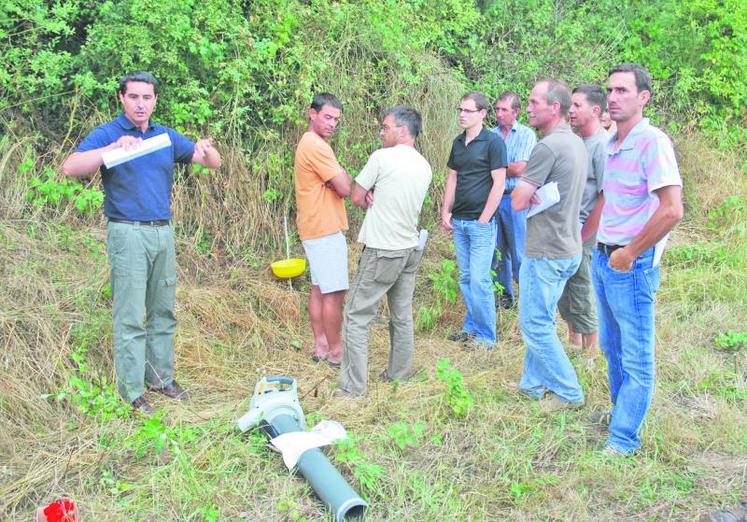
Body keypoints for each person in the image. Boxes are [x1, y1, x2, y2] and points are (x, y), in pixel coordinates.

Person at [61, 71, 222, 413]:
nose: (140, 104)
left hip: (162, 232)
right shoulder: (110, 133)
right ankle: (131, 390)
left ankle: (160, 377)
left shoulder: (164, 136)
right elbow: (70, 167)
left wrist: (207, 151)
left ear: (155, 101)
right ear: (121, 97)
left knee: (162, 310)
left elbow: (210, 162)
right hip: (128, 233)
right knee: (131, 314)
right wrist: (110, 150)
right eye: (133, 97)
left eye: (147, 98)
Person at [587, 64, 683, 455]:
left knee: (637, 356)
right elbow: (612, 199)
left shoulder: (652, 142)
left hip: (632, 266)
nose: (613, 97)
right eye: (610, 90)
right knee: (612, 347)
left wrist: (631, 252)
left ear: (643, 97)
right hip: (605, 259)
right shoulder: (612, 142)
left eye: (623, 90)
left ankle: (623, 439)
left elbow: (672, 209)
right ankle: (619, 416)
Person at [336, 106, 432, 398]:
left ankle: (353, 389)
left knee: (356, 315)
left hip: (383, 249)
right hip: (409, 247)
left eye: (386, 127)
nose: (381, 131)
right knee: (401, 314)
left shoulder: (382, 158)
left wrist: (367, 198)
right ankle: (399, 375)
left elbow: (355, 195)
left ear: (403, 131)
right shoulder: (424, 165)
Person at [511, 80, 587, 412]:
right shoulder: (576, 142)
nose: (527, 108)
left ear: (554, 107)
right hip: (568, 246)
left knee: (534, 324)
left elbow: (517, 201)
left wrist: (527, 192)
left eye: (532, 102)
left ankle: (568, 392)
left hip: (546, 250)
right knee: (540, 317)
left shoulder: (547, 147)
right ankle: (532, 384)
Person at [441, 92, 507, 349]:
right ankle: (471, 327)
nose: (462, 114)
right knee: (467, 278)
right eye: (460, 109)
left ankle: (487, 337)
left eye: (468, 110)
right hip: (459, 221)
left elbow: (499, 183)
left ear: (482, 114)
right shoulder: (458, 142)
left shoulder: (493, 142)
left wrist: (484, 219)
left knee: (480, 280)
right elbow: (452, 179)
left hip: (480, 224)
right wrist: (446, 210)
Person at [294, 93, 352, 368]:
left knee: (320, 288)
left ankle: (321, 346)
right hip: (325, 227)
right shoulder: (316, 145)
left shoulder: (310, 144)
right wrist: (340, 178)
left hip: (313, 226)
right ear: (312, 114)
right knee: (334, 293)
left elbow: (338, 182)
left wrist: (338, 179)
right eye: (327, 117)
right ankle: (337, 352)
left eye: (336, 120)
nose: (332, 124)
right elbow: (344, 187)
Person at [558, 84, 608, 361]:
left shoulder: (602, 146)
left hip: (585, 230)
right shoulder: (577, 142)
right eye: (570, 105)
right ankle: (573, 342)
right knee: (565, 284)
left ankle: (591, 352)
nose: (571, 111)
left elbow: (605, 197)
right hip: (567, 226)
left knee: (581, 284)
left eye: (577, 105)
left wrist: (585, 234)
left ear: (596, 110)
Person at [490, 92, 537, 309]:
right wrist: (504, 168)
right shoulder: (490, 134)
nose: (499, 114)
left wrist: (495, 169)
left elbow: (521, 167)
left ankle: (528, 300)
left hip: (515, 199)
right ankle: (504, 299)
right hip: (493, 198)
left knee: (519, 251)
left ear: (516, 112)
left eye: (504, 110)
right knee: (497, 252)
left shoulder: (526, 135)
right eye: (497, 109)